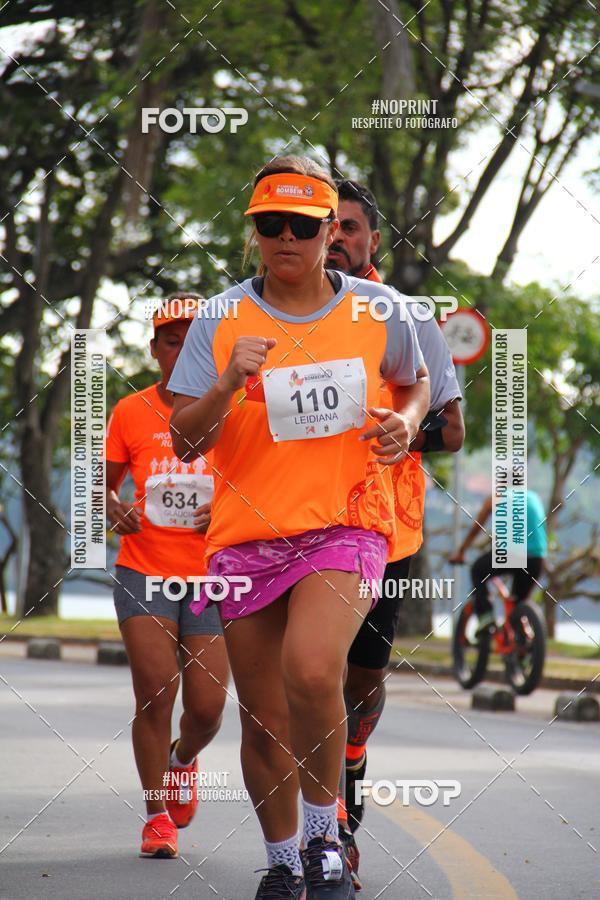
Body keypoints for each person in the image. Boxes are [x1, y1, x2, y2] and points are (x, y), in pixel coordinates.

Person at [168, 155, 430, 899]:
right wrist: (225, 384)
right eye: (269, 225)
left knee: (315, 670)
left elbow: (417, 387)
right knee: (264, 720)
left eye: (303, 226)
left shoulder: (382, 313)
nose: (286, 238)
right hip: (246, 536)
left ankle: (324, 844)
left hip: (347, 521)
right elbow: (187, 441)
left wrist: (404, 426)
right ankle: (283, 863)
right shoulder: (220, 318)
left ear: (330, 234)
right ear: (253, 231)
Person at [326, 179, 464, 877]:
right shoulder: (279, 312)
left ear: (373, 240)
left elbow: (454, 428)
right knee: (306, 688)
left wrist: (395, 432)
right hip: (296, 528)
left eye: (351, 226)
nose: (339, 237)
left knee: (357, 688)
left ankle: (354, 749)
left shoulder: (405, 316)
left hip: (388, 532)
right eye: (328, 225)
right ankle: (328, 841)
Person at [106, 295, 229, 859]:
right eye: (170, 341)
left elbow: (262, 480)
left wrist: (230, 510)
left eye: (191, 340)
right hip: (145, 568)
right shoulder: (130, 411)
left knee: (206, 708)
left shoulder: (236, 405)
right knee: (156, 691)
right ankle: (157, 816)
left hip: (214, 576)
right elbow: (99, 486)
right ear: (154, 349)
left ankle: (182, 759)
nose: (181, 351)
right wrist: (114, 509)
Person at [449, 489, 547, 631]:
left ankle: (485, 617)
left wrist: (461, 551)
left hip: (511, 554)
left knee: (477, 570)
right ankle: (522, 642)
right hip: (538, 559)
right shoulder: (534, 497)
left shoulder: (497, 496)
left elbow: (477, 528)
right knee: (518, 604)